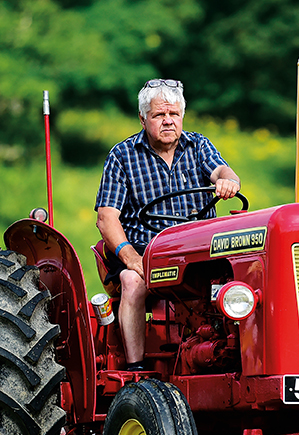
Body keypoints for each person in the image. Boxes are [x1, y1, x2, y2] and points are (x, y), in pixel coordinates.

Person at [95, 79, 241, 371]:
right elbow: (106, 217)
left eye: (173, 115)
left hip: (198, 254)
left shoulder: (198, 145)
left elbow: (223, 170)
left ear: (182, 117)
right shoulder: (122, 156)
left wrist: (228, 181)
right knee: (131, 281)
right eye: (159, 115)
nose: (168, 121)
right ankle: (136, 369)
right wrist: (130, 257)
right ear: (143, 118)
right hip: (148, 252)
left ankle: (236, 359)